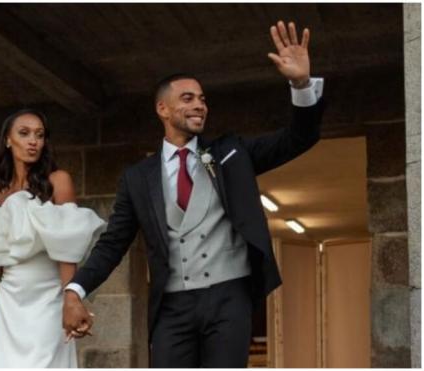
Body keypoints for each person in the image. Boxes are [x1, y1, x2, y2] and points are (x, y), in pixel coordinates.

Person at [62, 20, 325, 368]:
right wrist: (74, 290)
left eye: (202, 99)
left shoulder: (232, 153)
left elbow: (300, 138)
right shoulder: (138, 178)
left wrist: (301, 83)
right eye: (187, 98)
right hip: (172, 305)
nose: (199, 105)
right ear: (163, 109)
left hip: (229, 298)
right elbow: (113, 243)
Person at [0, 108, 106, 368]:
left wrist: (71, 301)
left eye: (39, 135)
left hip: (49, 300)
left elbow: (67, 248)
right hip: (9, 303)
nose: (33, 141)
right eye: (24, 133)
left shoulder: (58, 182)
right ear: (8, 139)